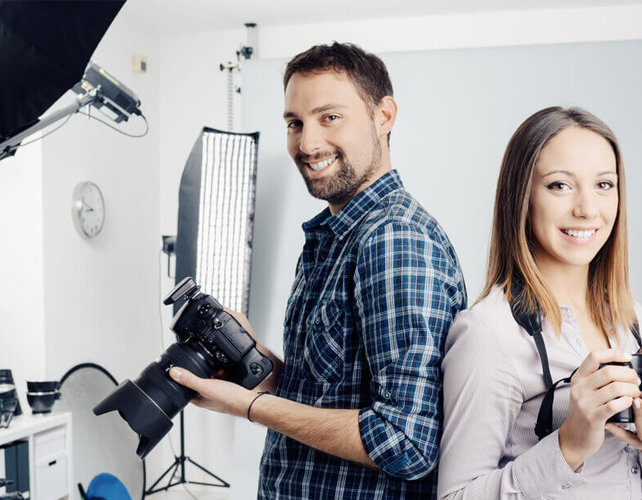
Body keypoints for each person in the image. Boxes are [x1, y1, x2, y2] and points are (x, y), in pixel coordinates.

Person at [169, 42, 467, 499]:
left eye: (329, 117)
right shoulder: (335, 236)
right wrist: (258, 363)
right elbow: (328, 394)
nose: (307, 144)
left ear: (383, 116)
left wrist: (251, 406)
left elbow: (406, 441)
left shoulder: (394, 239)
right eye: (295, 123)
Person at [437, 106, 642, 499]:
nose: (587, 208)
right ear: (522, 198)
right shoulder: (488, 334)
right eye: (560, 185)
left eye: (604, 184)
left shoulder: (630, 318)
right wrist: (568, 445)